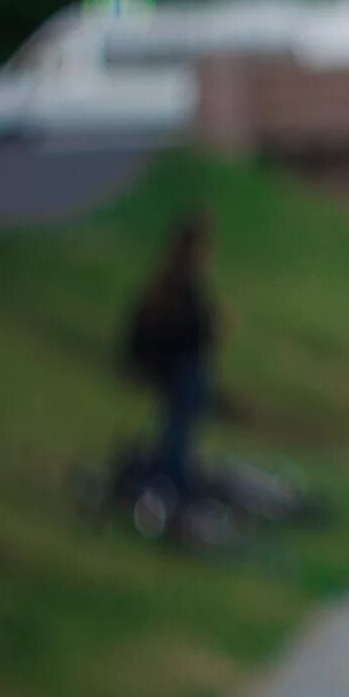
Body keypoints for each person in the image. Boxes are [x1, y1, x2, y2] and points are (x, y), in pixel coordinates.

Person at [122, 210, 216, 509]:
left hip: (179, 368)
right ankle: (171, 473)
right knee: (186, 406)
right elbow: (177, 331)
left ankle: (173, 467)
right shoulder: (175, 284)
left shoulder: (182, 284)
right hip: (170, 367)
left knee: (191, 403)